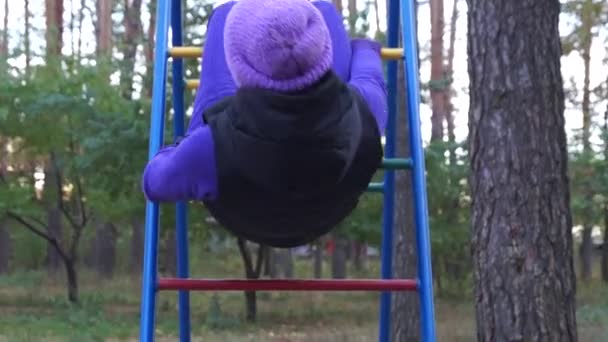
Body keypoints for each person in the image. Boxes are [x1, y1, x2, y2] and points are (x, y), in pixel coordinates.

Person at [142, 0, 387, 248]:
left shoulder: (208, 147)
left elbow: (156, 181)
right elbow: (370, 77)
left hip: (246, 218)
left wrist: (180, 154)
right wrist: (365, 48)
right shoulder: (360, 113)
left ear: (238, 69)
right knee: (323, 9)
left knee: (225, 15)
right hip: (326, 214)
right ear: (325, 53)